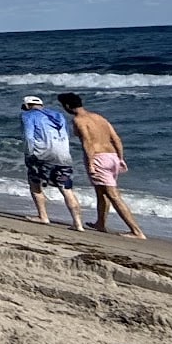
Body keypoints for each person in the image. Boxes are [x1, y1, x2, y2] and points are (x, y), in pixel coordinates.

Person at [58, 92, 148, 239]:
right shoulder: (99, 117)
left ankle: (136, 231)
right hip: (112, 156)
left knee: (113, 195)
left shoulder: (79, 120)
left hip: (98, 158)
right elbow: (116, 138)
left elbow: (87, 142)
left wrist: (91, 162)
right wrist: (120, 158)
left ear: (67, 106)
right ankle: (100, 223)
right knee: (101, 192)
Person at [20, 95, 82, 230]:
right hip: (63, 156)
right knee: (66, 189)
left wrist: (29, 154)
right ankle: (78, 223)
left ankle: (43, 216)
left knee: (35, 185)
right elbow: (65, 135)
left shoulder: (28, 116)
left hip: (42, 155)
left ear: (27, 106)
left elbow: (29, 137)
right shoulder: (59, 116)